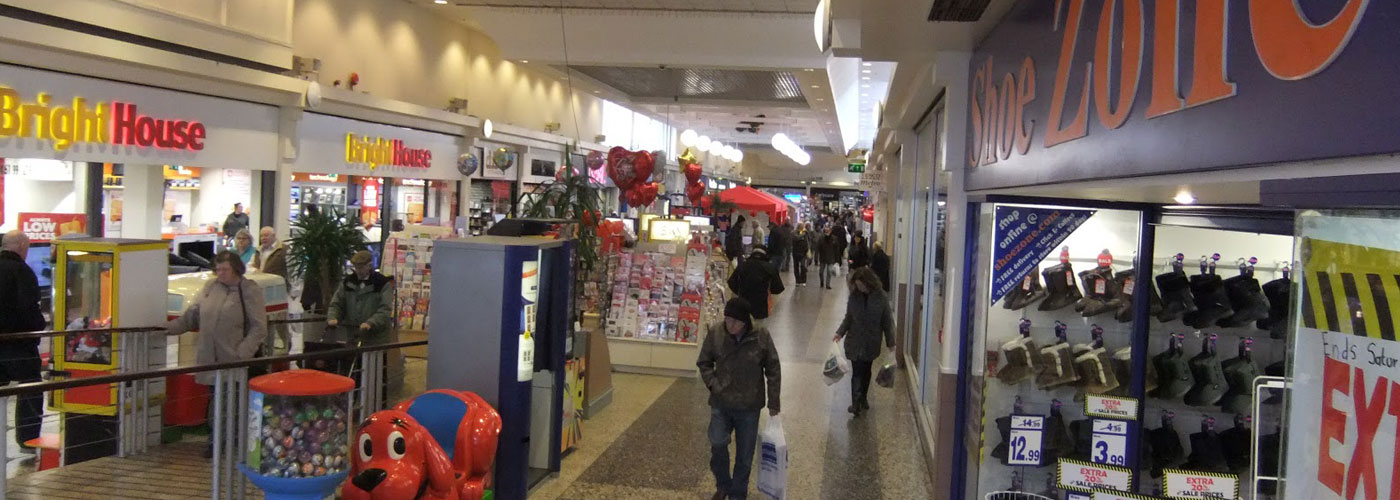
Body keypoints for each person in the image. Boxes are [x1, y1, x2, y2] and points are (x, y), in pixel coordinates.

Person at [165, 250, 268, 457]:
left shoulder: (248, 289)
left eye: (225, 269)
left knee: (231, 403)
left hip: (234, 359)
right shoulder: (210, 287)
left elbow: (259, 327)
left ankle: (229, 445)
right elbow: (191, 317)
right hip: (209, 359)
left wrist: (242, 353)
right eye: (218, 269)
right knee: (216, 402)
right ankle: (216, 443)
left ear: (236, 269)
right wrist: (165, 329)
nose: (220, 273)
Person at [697, 297, 781, 500]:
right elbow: (704, 362)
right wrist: (712, 384)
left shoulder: (760, 335)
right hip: (721, 402)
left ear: (746, 321)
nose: (730, 325)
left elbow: (773, 368)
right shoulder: (716, 333)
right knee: (717, 443)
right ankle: (724, 484)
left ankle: (738, 492)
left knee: (744, 455)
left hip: (749, 405)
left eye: (735, 321)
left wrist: (774, 401)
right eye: (727, 319)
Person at [0, 231, 46, 451]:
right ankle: (27, 440)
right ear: (20, 246)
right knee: (30, 389)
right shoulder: (22, 271)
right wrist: (40, 326)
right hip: (18, 345)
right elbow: (29, 308)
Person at [832, 267, 894, 416]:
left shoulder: (881, 298)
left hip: (871, 341)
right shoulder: (854, 297)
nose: (859, 288)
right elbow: (849, 318)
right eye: (857, 285)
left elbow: (887, 322)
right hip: (855, 340)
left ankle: (863, 397)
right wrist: (839, 332)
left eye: (861, 285)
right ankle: (855, 403)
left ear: (869, 283)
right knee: (857, 372)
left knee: (866, 371)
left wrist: (891, 343)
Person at [327, 250, 394, 346]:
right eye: (356, 268)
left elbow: (385, 308)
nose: (358, 271)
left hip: (376, 337)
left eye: (361, 268)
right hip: (353, 335)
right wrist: (333, 317)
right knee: (354, 359)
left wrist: (371, 322)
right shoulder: (347, 282)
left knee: (373, 360)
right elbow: (337, 303)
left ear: (369, 266)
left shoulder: (382, 283)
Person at [726, 245, 785, 327]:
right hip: (761, 307)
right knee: (758, 331)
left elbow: (731, 282)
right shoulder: (770, 268)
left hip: (743, 306)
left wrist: (739, 291)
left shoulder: (742, 266)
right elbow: (778, 289)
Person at [252, 227, 290, 351]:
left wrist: (293, 290)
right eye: (262, 236)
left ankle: (287, 344)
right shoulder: (258, 251)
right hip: (263, 290)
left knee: (280, 320)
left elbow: (292, 270)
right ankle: (266, 346)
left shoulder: (283, 250)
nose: (263, 238)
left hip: (279, 290)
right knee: (264, 319)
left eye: (266, 235)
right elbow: (253, 266)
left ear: (274, 236)